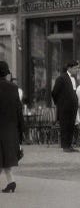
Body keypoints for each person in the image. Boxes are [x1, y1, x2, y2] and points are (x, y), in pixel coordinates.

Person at [0, 61, 23, 193]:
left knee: (1, 156)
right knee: (6, 156)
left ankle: (11, 182)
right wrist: (21, 129)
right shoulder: (13, 88)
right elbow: (18, 110)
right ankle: (11, 182)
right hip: (10, 127)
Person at [51, 61, 79, 152]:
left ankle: (69, 145)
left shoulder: (74, 79)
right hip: (64, 106)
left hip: (73, 106)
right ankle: (65, 146)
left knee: (71, 125)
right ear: (69, 68)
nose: (76, 70)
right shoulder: (61, 78)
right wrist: (59, 103)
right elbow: (54, 92)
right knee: (64, 126)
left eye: (77, 68)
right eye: (75, 68)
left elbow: (74, 92)